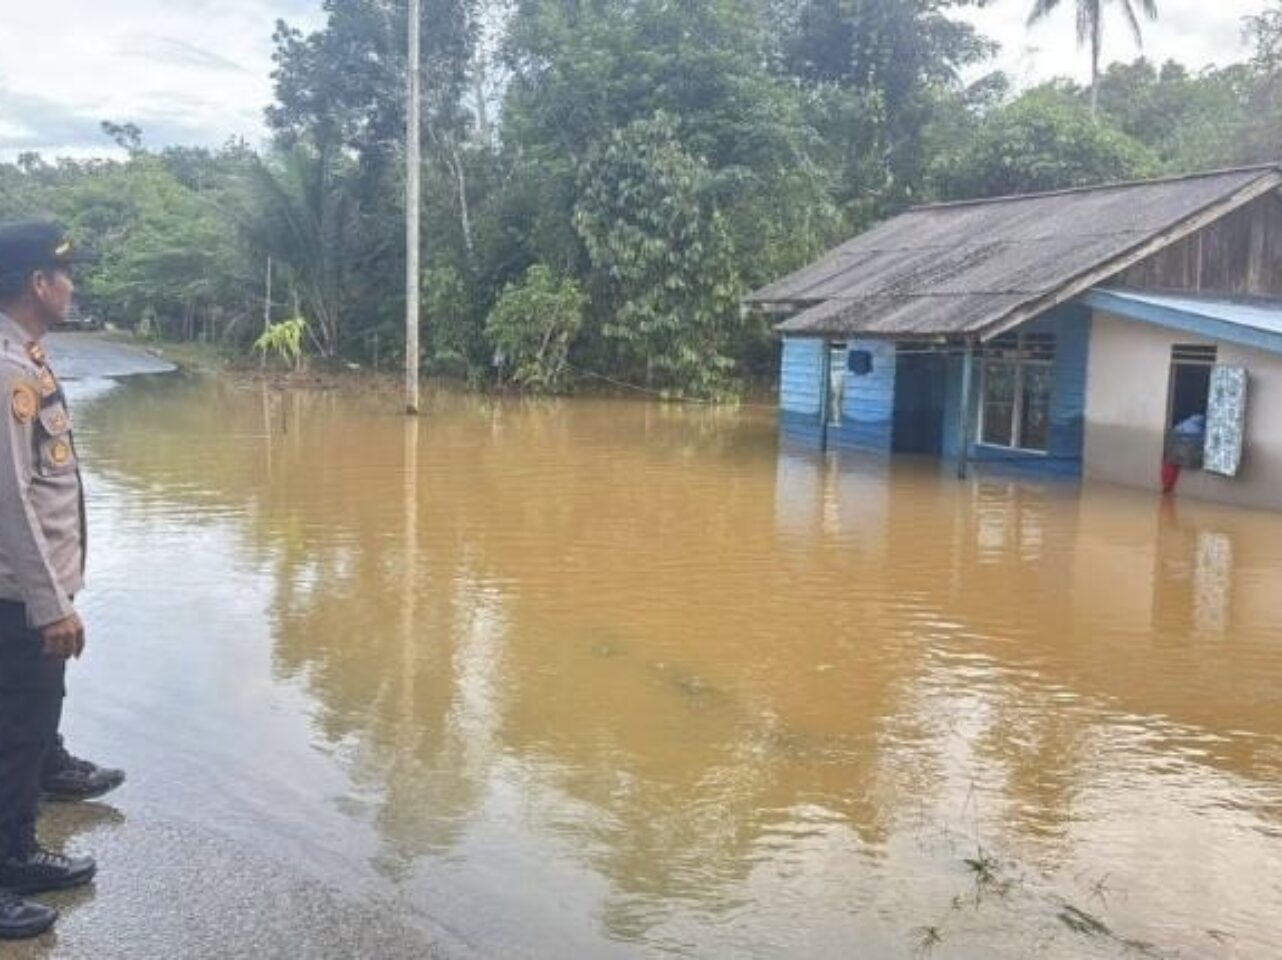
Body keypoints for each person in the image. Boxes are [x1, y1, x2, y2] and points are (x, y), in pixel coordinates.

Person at [0, 221, 114, 939]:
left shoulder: (27, 357)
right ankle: (9, 864)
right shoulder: (9, 371)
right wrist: (49, 605)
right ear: (39, 284)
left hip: (28, 590)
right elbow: (10, 497)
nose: (73, 286)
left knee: (26, 727)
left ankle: (15, 848)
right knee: (16, 736)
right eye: (65, 275)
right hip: (16, 596)